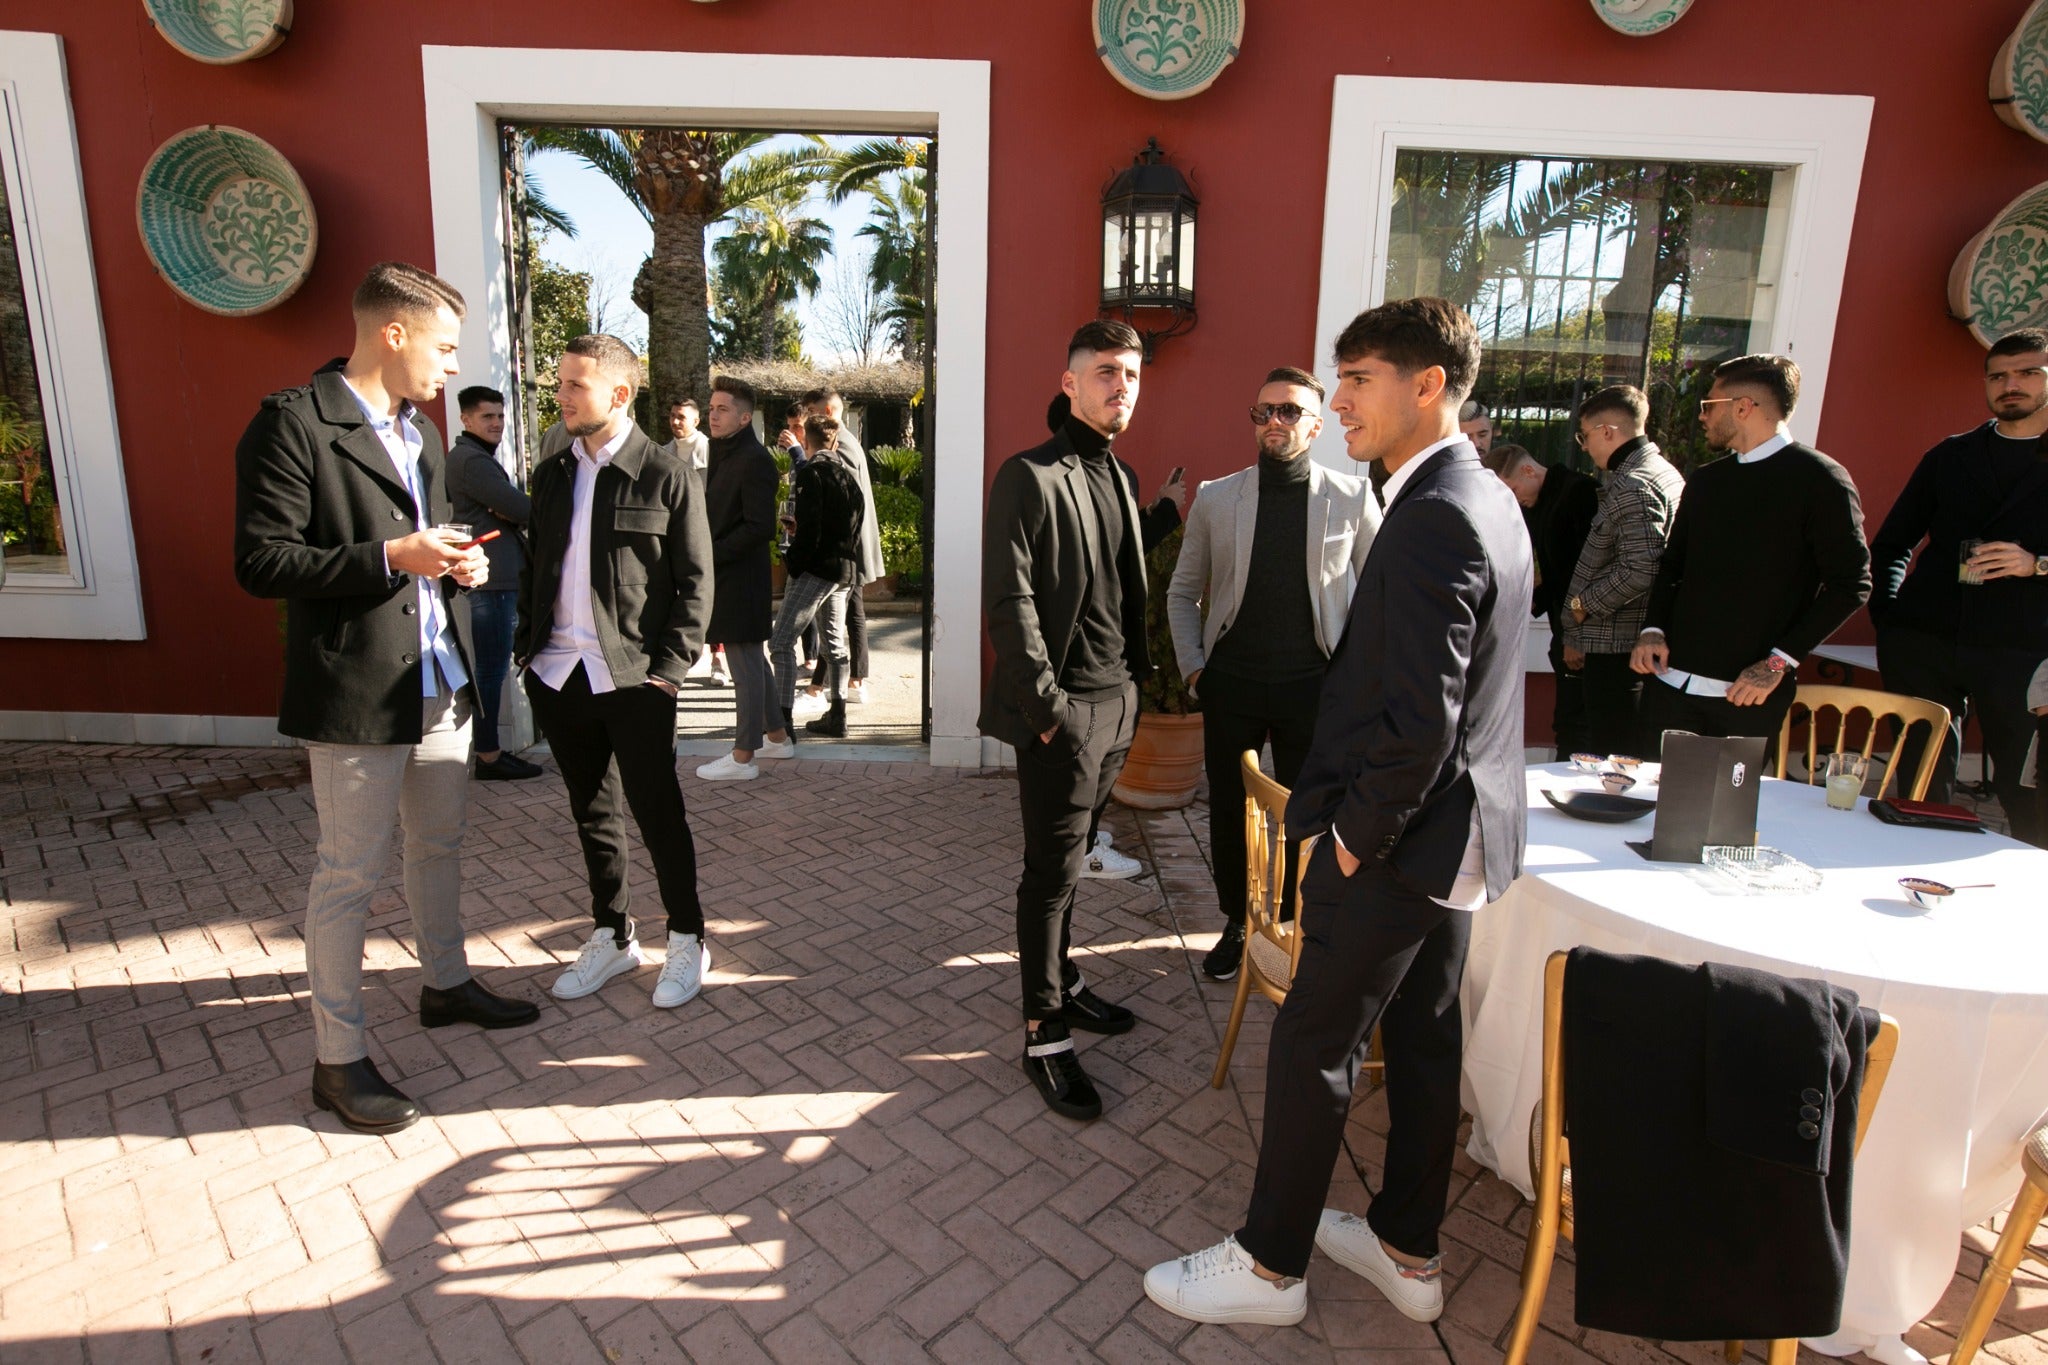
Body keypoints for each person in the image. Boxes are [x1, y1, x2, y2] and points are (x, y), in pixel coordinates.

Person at [1145, 297, 1530, 1328]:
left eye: (1356, 381)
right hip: (1456, 839)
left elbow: (1418, 724)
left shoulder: (1436, 512)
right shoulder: (1479, 493)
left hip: (1402, 844)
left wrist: (1354, 843)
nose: (1340, 402)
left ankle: (1269, 1267)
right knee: (1421, 1038)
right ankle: (1409, 1249)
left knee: (1312, 1038)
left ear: (1426, 385)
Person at [233, 261, 538, 1135]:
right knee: (349, 877)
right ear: (392, 333)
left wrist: (460, 567)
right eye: (442, 347)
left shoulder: (426, 437)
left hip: (439, 683)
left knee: (437, 844)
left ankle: (443, 984)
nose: (451, 367)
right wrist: (387, 559)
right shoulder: (292, 424)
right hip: (356, 692)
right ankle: (337, 1060)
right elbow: (261, 562)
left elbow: (427, 549)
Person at [980, 320, 1153, 1121]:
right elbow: (1009, 607)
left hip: (1118, 703)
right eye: (1108, 371)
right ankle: (1044, 1033)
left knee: (1077, 857)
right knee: (1049, 876)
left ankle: (1068, 982)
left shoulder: (1118, 474)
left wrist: (1134, 695)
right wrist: (1051, 713)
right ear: (1070, 380)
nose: (1124, 385)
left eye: (1134, 374)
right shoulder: (1028, 475)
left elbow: (1119, 590)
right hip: (1066, 712)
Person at [519, 334, 715, 1009]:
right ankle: (614, 931)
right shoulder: (551, 474)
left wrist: (667, 672)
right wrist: (528, 650)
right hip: (558, 674)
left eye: (576, 384)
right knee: (591, 812)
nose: (562, 396)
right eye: (562, 383)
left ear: (619, 393)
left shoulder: (667, 474)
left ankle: (687, 937)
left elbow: (696, 585)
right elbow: (539, 568)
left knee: (659, 812)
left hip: (634, 680)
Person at [1166, 367, 1378, 981]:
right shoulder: (1216, 497)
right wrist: (1195, 672)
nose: (1275, 422)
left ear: (1316, 423)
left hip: (1315, 687)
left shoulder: (1354, 497)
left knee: (1306, 813)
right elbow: (1183, 593)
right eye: (1263, 412)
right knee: (1232, 810)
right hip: (1231, 683)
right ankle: (1237, 921)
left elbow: (1379, 599)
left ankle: (1289, 923)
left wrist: (1355, 679)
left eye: (1288, 411)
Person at [1632, 355, 1871, 757]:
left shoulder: (1821, 480)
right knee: (1650, 811)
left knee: (1728, 818)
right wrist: (1652, 629)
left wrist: (1777, 664)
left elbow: (1851, 585)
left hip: (1744, 698)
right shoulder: (1707, 481)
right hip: (1670, 689)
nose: (1703, 417)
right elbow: (1673, 566)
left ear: (1743, 407)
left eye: (1709, 405)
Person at [1870, 329, 2048, 846]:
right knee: (1921, 786)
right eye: (1998, 376)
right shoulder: (1951, 456)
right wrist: (1891, 620)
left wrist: (2034, 564)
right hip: (1927, 639)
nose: (2010, 385)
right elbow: (1892, 543)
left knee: (2027, 789)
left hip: (2023, 650)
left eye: (2027, 373)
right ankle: (1912, 876)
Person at [1041, 390, 1183, 881]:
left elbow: (1118, 544)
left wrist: (1162, 503)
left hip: (1110, 667)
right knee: (1084, 776)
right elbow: (1126, 549)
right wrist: (1166, 509)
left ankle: (1081, 843)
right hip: (1085, 668)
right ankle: (1080, 853)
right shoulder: (1055, 481)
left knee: (1096, 774)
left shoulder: (1108, 477)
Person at [1560, 385, 1687, 759]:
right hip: (1629, 644)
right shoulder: (1660, 471)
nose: (1585, 447)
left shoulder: (1635, 483)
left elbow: (1642, 566)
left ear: (1608, 432)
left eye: (1585, 436)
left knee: (1615, 758)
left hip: (1619, 648)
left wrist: (1584, 603)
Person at [697, 376, 792, 781]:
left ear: (744, 417)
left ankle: (741, 757)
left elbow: (759, 527)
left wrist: (707, 554)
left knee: (745, 664)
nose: (712, 415)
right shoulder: (724, 453)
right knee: (752, 660)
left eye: (722, 410)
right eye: (712, 408)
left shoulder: (753, 460)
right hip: (728, 576)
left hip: (740, 578)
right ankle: (777, 736)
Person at [446, 384, 541, 781]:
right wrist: (514, 510)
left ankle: (487, 750)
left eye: (500, 416)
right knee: (488, 670)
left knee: (491, 668)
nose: (497, 424)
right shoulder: (473, 461)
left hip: (495, 578)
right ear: (466, 419)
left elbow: (511, 508)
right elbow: (522, 508)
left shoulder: (475, 457)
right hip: (491, 582)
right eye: (487, 417)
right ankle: (487, 754)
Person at [1486, 443, 1597, 757]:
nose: (1514, 498)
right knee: (1566, 723)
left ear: (1528, 470)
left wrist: (1577, 635)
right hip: (1561, 628)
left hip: (1584, 632)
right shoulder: (1536, 505)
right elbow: (1551, 573)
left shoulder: (1580, 493)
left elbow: (1587, 572)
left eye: (1513, 488)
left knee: (1579, 727)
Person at [769, 413, 863, 739]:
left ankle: (782, 723)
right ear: (835, 442)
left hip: (817, 568)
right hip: (845, 571)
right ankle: (838, 716)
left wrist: (793, 562)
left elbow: (810, 532)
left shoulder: (811, 474)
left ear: (806, 442)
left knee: (780, 643)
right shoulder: (849, 478)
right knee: (835, 647)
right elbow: (849, 527)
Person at [802, 387, 880, 706]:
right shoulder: (848, 441)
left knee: (836, 617)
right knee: (845, 614)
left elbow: (838, 497)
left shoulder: (841, 444)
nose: (807, 418)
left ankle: (835, 686)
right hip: (850, 547)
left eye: (811, 412)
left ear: (828, 413)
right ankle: (843, 683)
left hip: (846, 548)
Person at [664, 396, 708, 472]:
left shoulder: (709, 451)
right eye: (672, 416)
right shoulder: (663, 453)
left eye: (681, 417)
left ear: (695, 422)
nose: (675, 422)